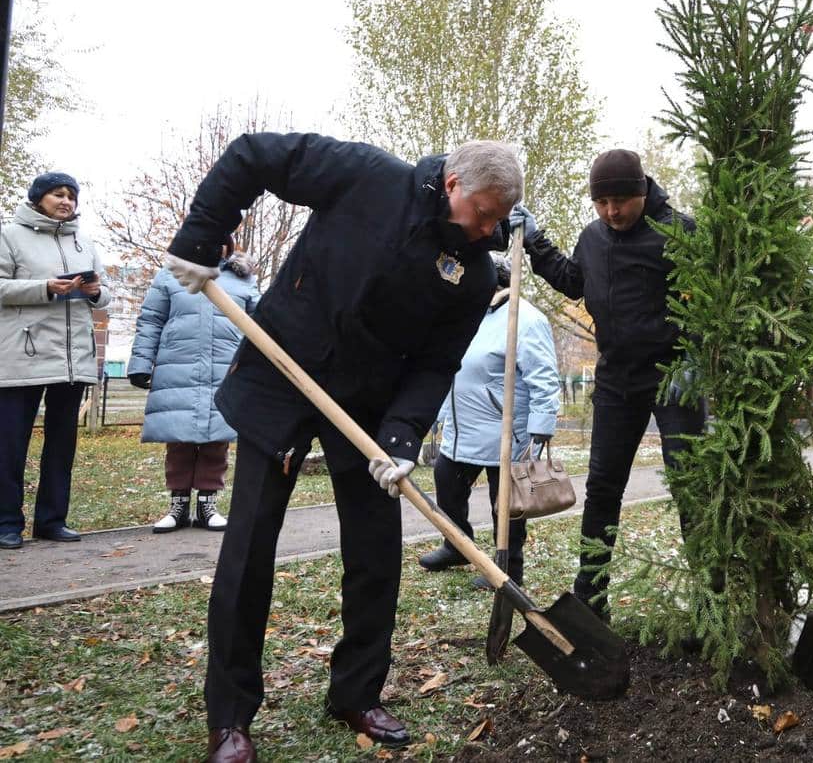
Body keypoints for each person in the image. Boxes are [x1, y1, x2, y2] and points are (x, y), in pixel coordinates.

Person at [162, 134, 523, 763]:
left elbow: (438, 363)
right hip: (284, 369)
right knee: (250, 546)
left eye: (498, 218)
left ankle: (357, 691)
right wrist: (201, 237)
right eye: (484, 212)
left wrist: (404, 435)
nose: (488, 228)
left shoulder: (474, 272)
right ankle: (230, 717)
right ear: (454, 184)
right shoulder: (367, 176)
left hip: (369, 408)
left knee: (375, 552)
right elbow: (253, 156)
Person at [511, 148, 705, 621]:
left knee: (691, 487)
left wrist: (696, 356)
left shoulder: (679, 233)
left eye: (621, 200)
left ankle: (710, 595)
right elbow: (575, 281)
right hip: (617, 379)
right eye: (602, 202)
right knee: (602, 487)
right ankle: (591, 595)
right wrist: (536, 243)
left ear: (642, 191)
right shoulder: (593, 237)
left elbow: (708, 300)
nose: (611, 211)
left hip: (673, 379)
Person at [417, 252, 560, 588]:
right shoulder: (465, 315)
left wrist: (541, 427)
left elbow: (544, 378)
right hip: (461, 428)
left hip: (505, 433)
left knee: (508, 505)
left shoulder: (525, 319)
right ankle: (457, 545)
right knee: (447, 482)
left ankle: (509, 567)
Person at [0, 172, 111, 549]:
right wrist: (45, 287)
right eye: (57, 194)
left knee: (62, 444)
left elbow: (107, 293)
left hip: (72, 357)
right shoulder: (9, 235)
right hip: (22, 355)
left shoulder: (85, 242)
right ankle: (6, 523)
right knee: (11, 444)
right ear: (37, 198)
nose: (66, 201)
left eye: (71, 196)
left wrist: (96, 292)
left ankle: (52, 520)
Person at [127, 236, 260, 534]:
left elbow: (258, 325)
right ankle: (178, 504)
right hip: (178, 367)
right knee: (179, 438)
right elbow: (151, 320)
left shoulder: (243, 280)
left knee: (217, 439)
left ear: (227, 246)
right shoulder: (170, 275)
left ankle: (207, 504)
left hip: (225, 369)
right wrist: (140, 363)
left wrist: (260, 369)